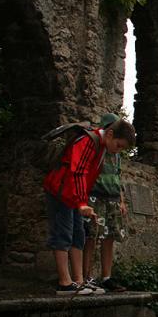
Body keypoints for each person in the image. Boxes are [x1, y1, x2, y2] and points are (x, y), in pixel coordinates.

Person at [43, 118, 136, 295]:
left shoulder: (101, 146)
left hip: (74, 195)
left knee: (79, 234)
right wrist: (82, 203)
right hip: (61, 191)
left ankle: (79, 281)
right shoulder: (88, 141)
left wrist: (81, 201)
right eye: (119, 145)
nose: (118, 150)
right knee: (63, 233)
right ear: (110, 134)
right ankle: (64, 282)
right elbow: (78, 172)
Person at [82, 114, 129, 294]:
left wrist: (121, 201)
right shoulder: (96, 147)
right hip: (95, 196)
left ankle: (107, 277)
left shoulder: (116, 155)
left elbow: (118, 176)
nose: (119, 149)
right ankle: (86, 277)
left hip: (112, 198)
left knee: (109, 237)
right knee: (91, 236)